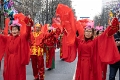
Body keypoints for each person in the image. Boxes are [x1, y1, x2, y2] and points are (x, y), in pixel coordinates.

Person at [0, 16, 33, 80]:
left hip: (18, 61)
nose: (14, 31)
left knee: (18, 76)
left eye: (16, 29)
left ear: (18, 31)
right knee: (10, 75)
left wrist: (28, 25)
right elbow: (1, 37)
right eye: (13, 29)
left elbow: (27, 34)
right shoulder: (9, 38)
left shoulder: (21, 38)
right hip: (10, 61)